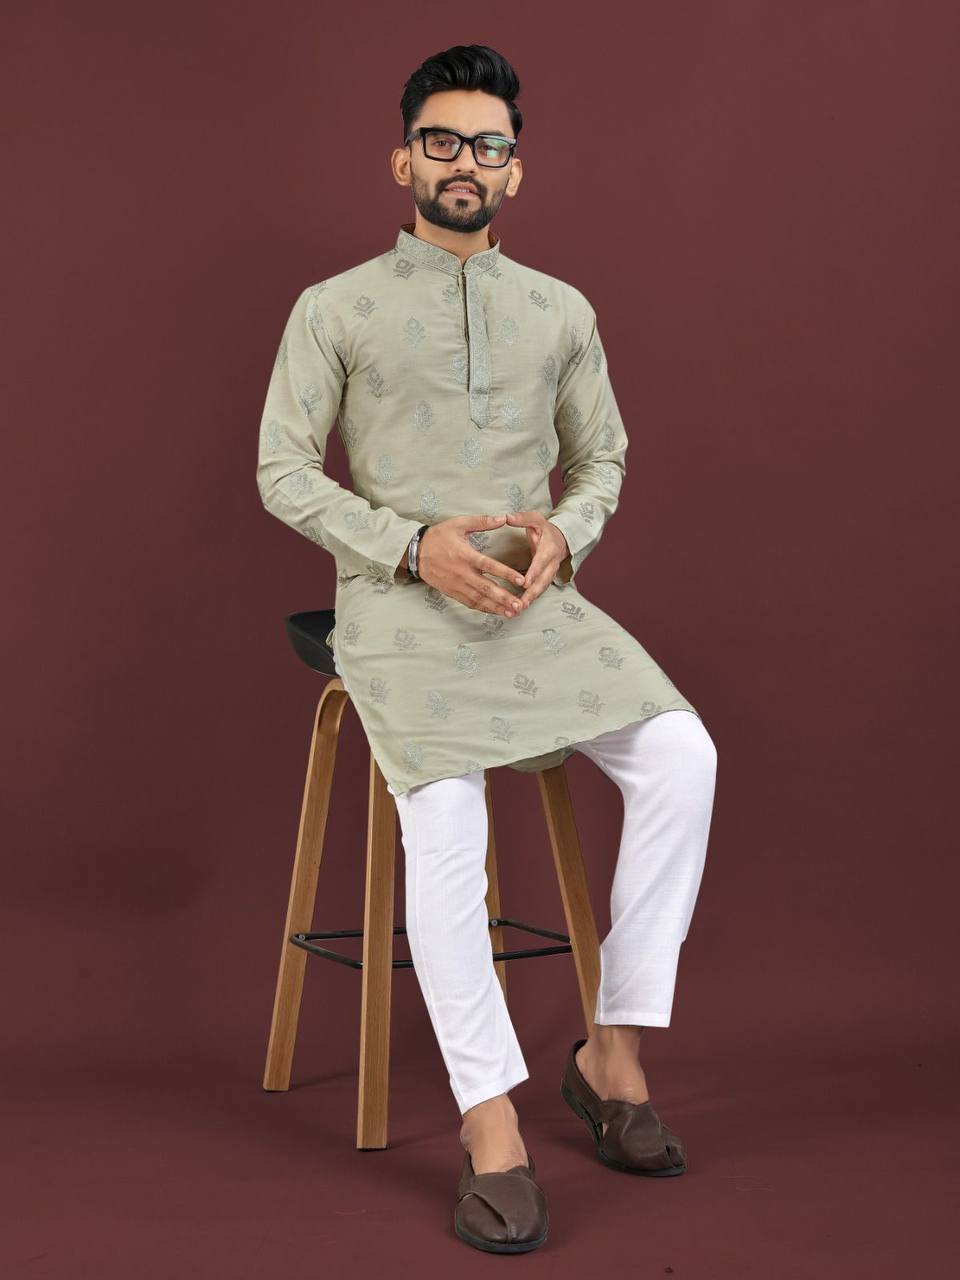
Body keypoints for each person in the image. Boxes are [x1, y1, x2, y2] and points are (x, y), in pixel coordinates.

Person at [256, 43, 717, 1254]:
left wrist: (566, 534)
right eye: (444, 141)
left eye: (489, 145)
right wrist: (411, 547)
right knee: (449, 817)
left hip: (532, 604)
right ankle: (490, 1119)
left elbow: (603, 457)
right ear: (403, 159)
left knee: (684, 753)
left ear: (517, 170)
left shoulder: (561, 310)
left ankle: (612, 1050)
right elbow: (281, 469)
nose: (466, 161)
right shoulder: (335, 307)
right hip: (399, 603)